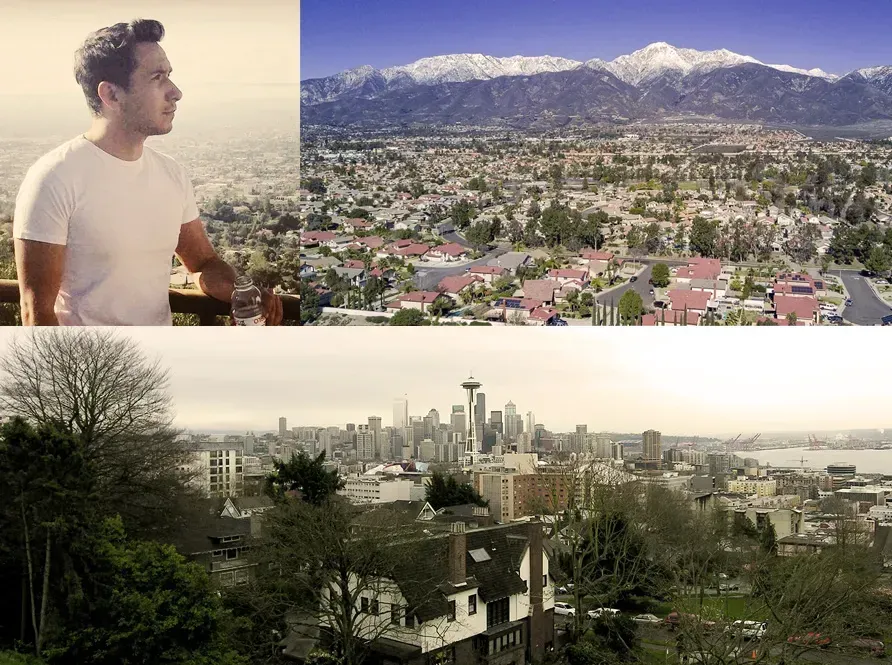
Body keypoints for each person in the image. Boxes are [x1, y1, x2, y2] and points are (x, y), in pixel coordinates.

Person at [12, 19, 283, 326]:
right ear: (111, 95)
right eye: (157, 78)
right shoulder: (54, 179)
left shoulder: (172, 175)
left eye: (169, 76)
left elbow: (203, 264)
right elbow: (37, 313)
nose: (176, 92)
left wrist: (238, 292)